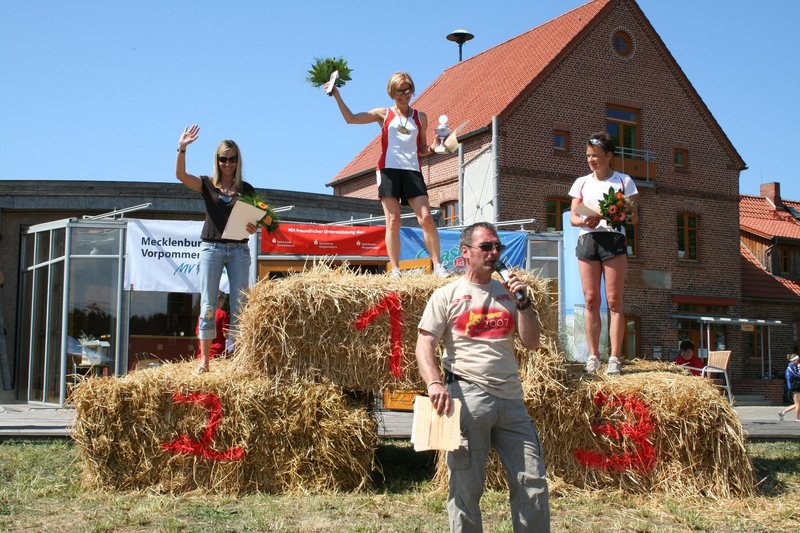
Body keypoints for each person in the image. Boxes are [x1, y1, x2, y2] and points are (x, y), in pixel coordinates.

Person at [415, 222, 550, 532]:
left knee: (532, 480)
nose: (494, 253)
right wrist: (434, 382)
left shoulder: (509, 293)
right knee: (466, 486)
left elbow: (532, 343)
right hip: (467, 397)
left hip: (511, 399)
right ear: (466, 253)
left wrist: (524, 303)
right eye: (486, 247)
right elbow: (424, 343)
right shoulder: (447, 294)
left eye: (497, 247)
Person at [324, 72, 447, 278]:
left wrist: (435, 146)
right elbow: (351, 119)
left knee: (426, 218)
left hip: (412, 171)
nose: (404, 94)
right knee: (393, 220)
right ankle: (396, 269)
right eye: (399, 90)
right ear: (392, 92)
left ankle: (438, 266)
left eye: (407, 89)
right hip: (388, 170)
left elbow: (422, 149)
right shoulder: (384, 114)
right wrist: (337, 94)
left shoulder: (420, 117)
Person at [176, 124, 257, 373]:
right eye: (223, 159)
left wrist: (253, 226)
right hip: (211, 248)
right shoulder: (206, 184)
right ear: (217, 160)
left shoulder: (247, 189)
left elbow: (255, 221)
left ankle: (241, 360)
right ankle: (205, 361)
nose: (227, 163)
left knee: (240, 305)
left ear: (237, 160)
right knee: (209, 304)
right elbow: (180, 176)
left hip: (239, 250)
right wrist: (182, 148)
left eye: (232, 159)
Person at [569, 132, 638, 375]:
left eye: (596, 156)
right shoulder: (581, 182)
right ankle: (593, 356)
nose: (591, 160)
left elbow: (633, 215)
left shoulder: (624, 181)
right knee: (590, 300)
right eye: (588, 155)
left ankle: (615, 358)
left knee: (614, 300)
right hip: (588, 239)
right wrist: (583, 222)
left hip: (613, 240)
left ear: (609, 156)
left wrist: (606, 216)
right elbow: (573, 216)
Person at [195, 291, 230, 359]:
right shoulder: (222, 314)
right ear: (220, 300)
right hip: (218, 353)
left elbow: (198, 335)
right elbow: (225, 335)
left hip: (203, 355)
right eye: (223, 301)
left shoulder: (203, 314)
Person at [779, 353, 800, 422]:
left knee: (798, 403)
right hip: (794, 387)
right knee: (798, 404)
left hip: (796, 386)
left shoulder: (794, 366)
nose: (798, 361)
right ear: (794, 360)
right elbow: (797, 375)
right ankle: (797, 418)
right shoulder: (791, 367)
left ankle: (783, 412)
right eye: (797, 360)